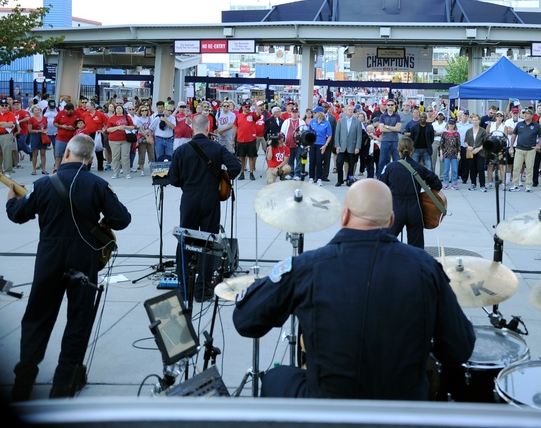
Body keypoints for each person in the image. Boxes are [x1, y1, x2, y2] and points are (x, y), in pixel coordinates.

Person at [232, 178, 475, 399]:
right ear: (390, 221)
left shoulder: (307, 267)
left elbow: (245, 320)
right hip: (402, 408)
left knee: (276, 378)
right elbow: (458, 349)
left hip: (329, 407)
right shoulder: (426, 268)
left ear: (344, 215)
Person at [5, 134, 132, 401]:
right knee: (78, 319)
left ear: (65, 154)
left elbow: (18, 215)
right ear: (88, 159)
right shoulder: (98, 184)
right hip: (84, 257)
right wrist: (102, 221)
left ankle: (23, 380)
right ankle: (63, 383)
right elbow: (121, 219)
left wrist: (11, 199)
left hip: (49, 257)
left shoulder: (42, 184)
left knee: (37, 317)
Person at [169, 114, 242, 292]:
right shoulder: (216, 148)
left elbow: (173, 179)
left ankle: (184, 285)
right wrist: (222, 178)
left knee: (186, 239)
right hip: (210, 197)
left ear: (192, 129)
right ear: (208, 128)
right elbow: (236, 166)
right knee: (209, 242)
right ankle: (203, 288)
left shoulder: (181, 150)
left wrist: (186, 183)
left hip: (189, 198)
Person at [379, 137, 442, 248]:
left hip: (396, 208)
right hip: (415, 208)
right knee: (416, 247)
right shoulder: (419, 167)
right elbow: (437, 184)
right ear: (412, 150)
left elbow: (381, 187)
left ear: (398, 150)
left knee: (385, 243)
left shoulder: (390, 167)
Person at [508, 107, 541, 193]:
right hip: (519, 149)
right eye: (524, 113)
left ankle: (528, 185)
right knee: (516, 167)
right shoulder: (519, 124)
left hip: (531, 149)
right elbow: (514, 135)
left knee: (529, 168)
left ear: (531, 115)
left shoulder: (536, 125)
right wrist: (511, 146)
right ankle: (515, 185)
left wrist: (539, 146)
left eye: (527, 113)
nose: (525, 115)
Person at [333, 103, 362, 186]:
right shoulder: (341, 121)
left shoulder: (357, 122)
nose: (350, 111)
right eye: (348, 110)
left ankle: (349, 180)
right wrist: (337, 145)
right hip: (342, 146)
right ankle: (340, 180)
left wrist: (357, 147)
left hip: (352, 146)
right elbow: (337, 134)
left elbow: (359, 136)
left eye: (351, 110)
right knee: (339, 163)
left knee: (351, 164)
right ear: (345, 111)